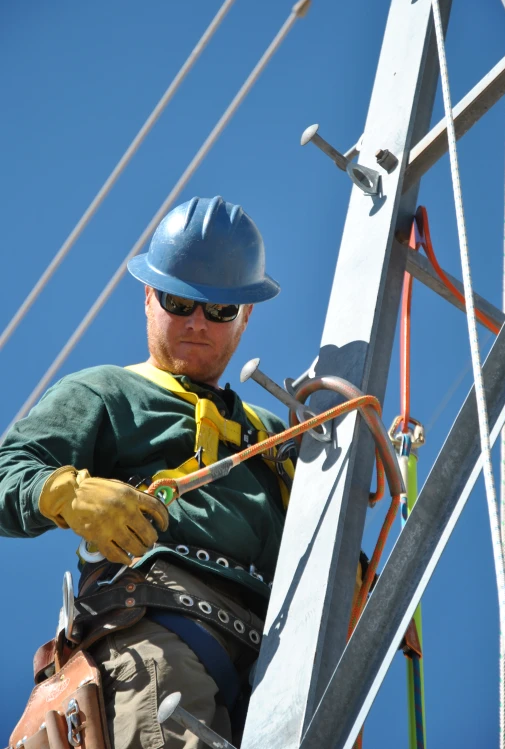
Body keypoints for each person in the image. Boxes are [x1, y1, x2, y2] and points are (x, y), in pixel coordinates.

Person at [0, 195, 294, 749]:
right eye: (179, 302)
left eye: (220, 310)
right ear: (148, 298)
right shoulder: (108, 392)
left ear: (246, 316)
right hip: (162, 632)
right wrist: (68, 494)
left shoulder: (274, 438)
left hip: (279, 663)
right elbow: (5, 473)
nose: (198, 323)